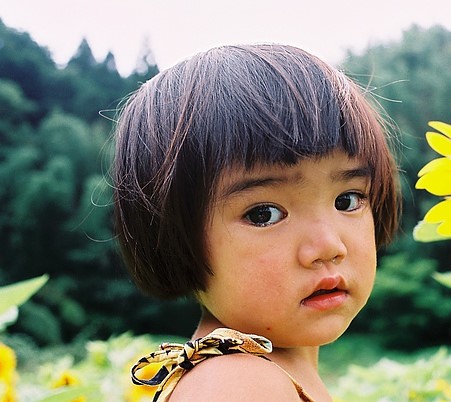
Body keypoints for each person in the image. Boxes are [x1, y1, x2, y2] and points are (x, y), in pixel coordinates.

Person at [113, 44, 400, 402]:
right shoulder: (237, 383)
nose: (328, 246)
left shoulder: (264, 375)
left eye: (348, 200)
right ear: (171, 237)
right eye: (264, 214)